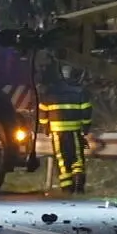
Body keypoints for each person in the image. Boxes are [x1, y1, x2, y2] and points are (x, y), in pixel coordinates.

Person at [37, 61, 93, 194]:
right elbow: (87, 111)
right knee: (77, 158)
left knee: (62, 160)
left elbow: (42, 110)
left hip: (57, 133)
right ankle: (78, 183)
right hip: (74, 132)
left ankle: (67, 188)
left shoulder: (50, 91)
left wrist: (45, 127)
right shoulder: (80, 92)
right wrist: (85, 128)